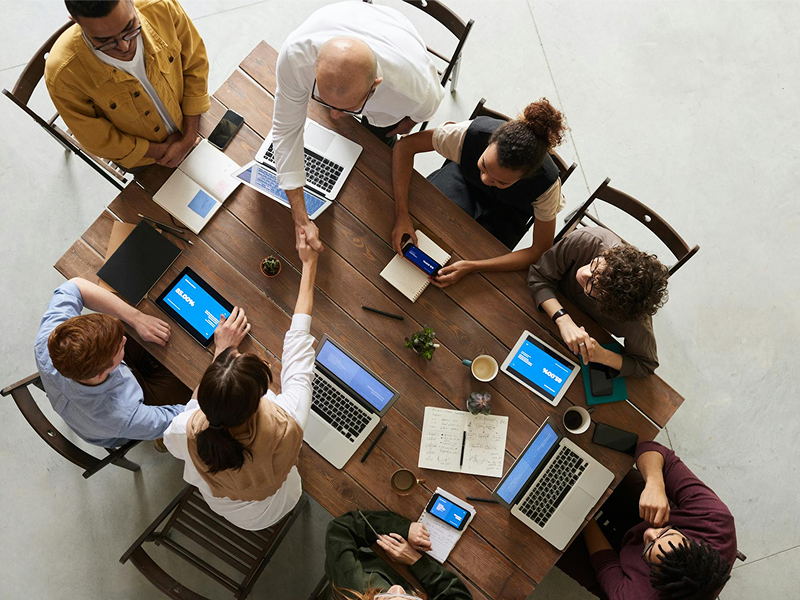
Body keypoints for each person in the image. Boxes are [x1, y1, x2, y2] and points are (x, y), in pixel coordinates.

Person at [164, 233, 319, 530]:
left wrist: (220, 352)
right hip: (278, 501)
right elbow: (299, 346)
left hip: (233, 512)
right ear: (258, 400)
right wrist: (310, 265)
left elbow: (190, 412)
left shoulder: (186, 429)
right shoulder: (288, 420)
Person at [273, 1, 444, 252]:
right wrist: (301, 217)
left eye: (346, 109)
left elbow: (421, 114)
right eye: (324, 100)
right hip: (347, 20)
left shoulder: (416, 92)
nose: (334, 116)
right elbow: (286, 131)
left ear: (375, 86)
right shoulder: (294, 57)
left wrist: (404, 125)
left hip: (396, 40)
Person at [392, 98, 568, 284]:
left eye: (500, 181)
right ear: (490, 142)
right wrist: (401, 213)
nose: (485, 179)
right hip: (463, 180)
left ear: (525, 177)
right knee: (425, 221)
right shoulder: (469, 134)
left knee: (474, 261)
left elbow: (539, 249)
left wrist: (473, 266)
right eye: (484, 165)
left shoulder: (546, 187)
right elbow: (405, 146)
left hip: (510, 212)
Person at [556, 441, 736, 600]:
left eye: (650, 546)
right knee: (602, 462)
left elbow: (605, 562)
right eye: (665, 532)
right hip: (652, 514)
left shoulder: (636, 596)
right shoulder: (714, 520)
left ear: (654, 576)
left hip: (619, 571)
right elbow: (651, 448)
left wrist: (584, 513)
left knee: (554, 540)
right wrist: (655, 484)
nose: (649, 532)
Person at [45, 0, 210, 170]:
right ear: (75, 20)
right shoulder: (62, 75)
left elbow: (195, 63)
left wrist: (189, 137)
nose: (124, 46)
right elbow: (97, 139)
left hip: (193, 121)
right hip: (146, 160)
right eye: (105, 41)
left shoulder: (161, 6)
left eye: (130, 28)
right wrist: (162, 152)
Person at [34, 277, 190, 448]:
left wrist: (136, 318)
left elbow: (75, 285)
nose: (124, 339)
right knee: (197, 383)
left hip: (93, 398)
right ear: (101, 373)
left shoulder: (51, 340)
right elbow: (186, 419)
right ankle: (161, 442)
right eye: (120, 346)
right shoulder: (122, 416)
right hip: (124, 418)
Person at [527, 227, 670, 377]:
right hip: (541, 309)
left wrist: (602, 355)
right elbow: (539, 276)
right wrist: (563, 320)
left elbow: (645, 365)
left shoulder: (635, 320)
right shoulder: (587, 240)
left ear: (610, 305)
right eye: (596, 266)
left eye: (594, 285)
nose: (584, 273)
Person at [325, 510, 472, 600]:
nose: (397, 588)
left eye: (385, 598)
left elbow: (340, 530)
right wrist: (415, 560)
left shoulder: (351, 586)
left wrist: (402, 528)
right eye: (410, 600)